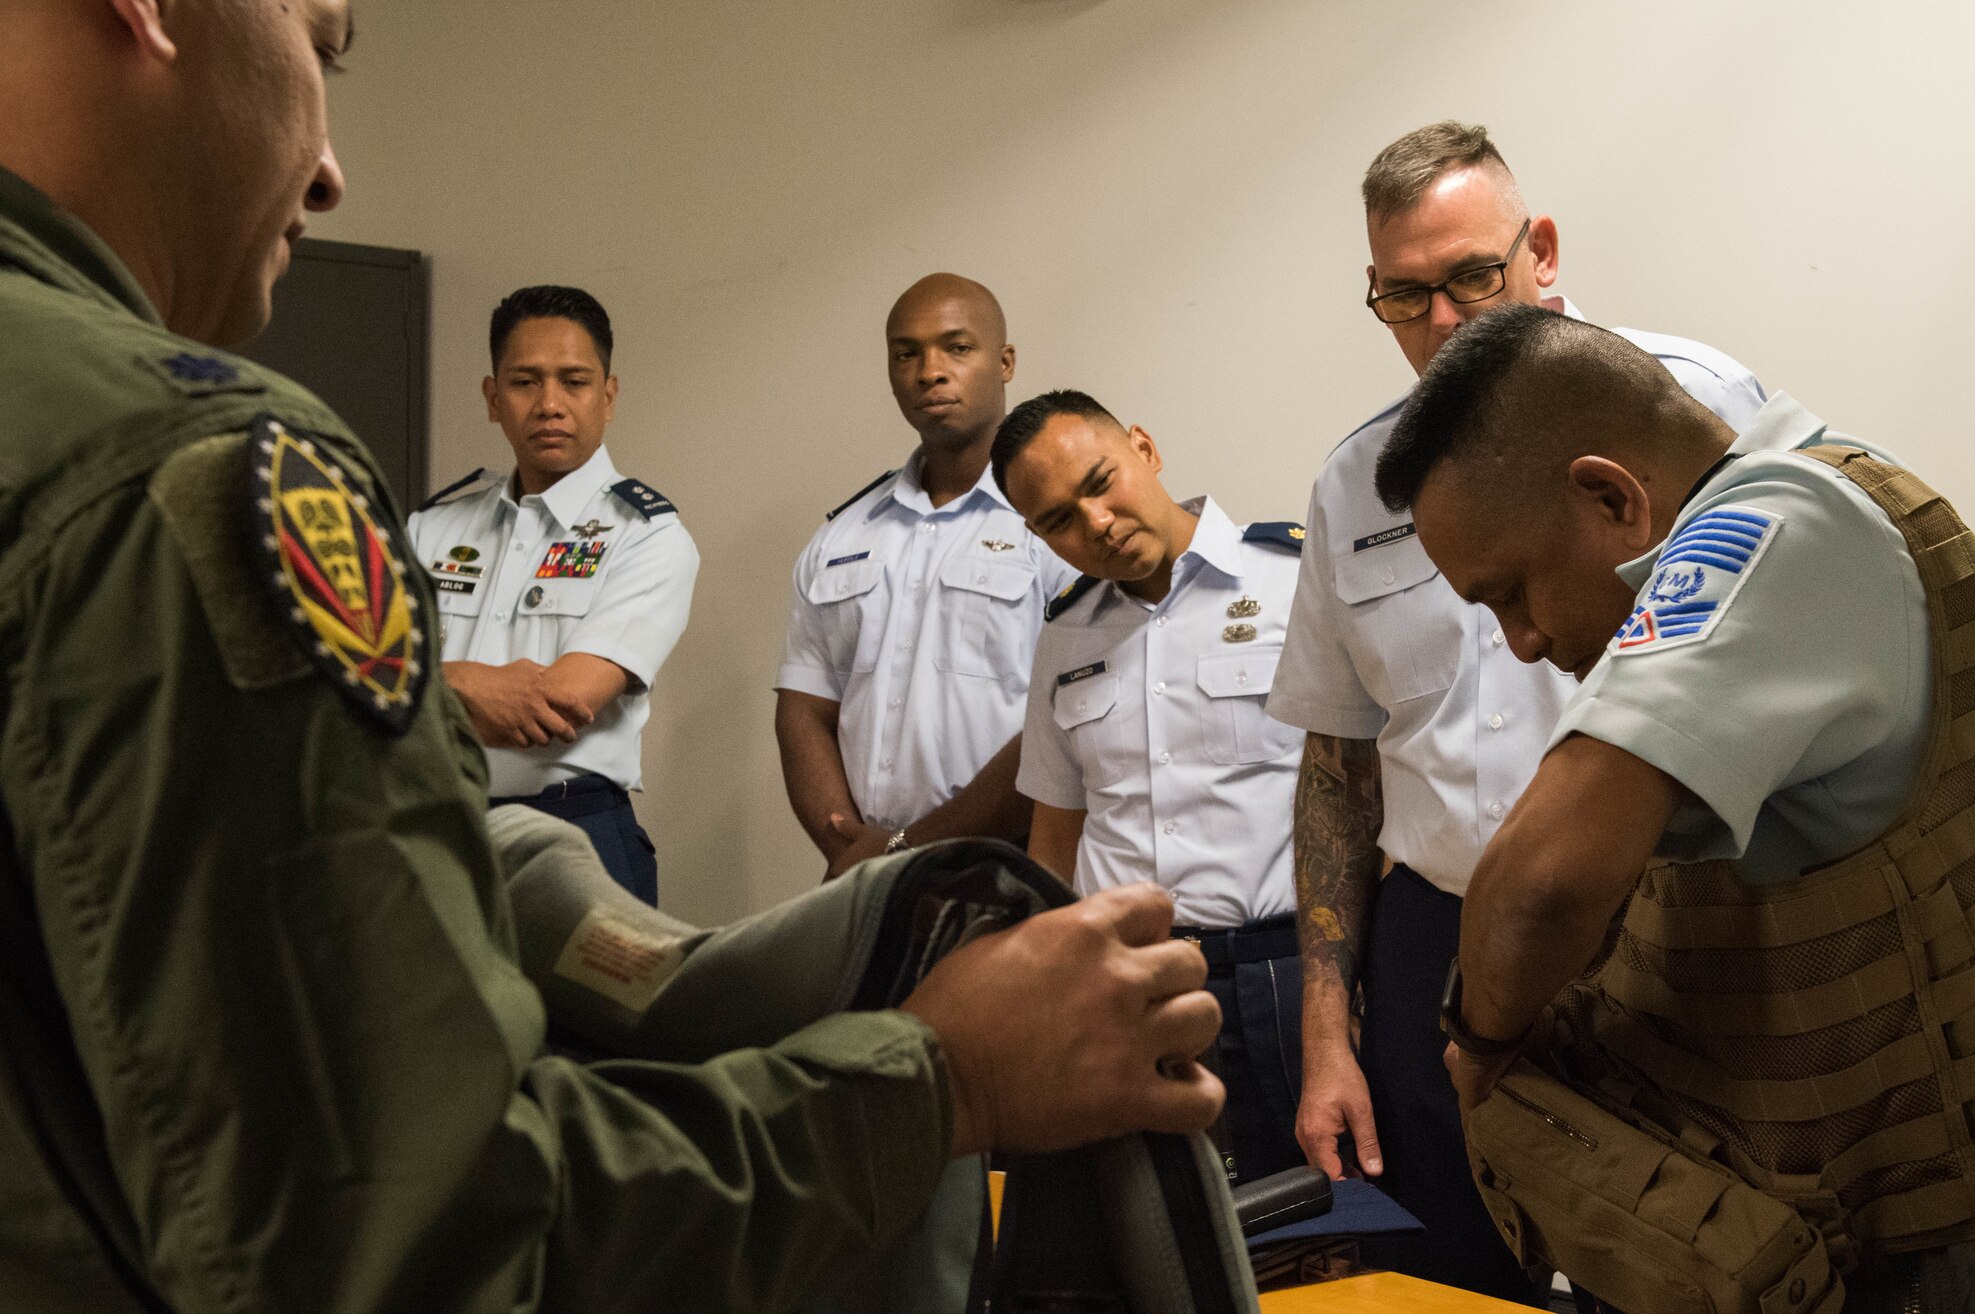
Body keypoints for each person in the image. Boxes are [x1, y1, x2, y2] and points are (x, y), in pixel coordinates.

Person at [0, 3, 1228, 1310]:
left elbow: (559, 707)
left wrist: (904, 869)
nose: (329, 169)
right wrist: (943, 1079)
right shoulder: (192, 474)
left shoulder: (632, 533)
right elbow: (422, 1239)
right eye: (324, 41)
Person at [1380, 303, 1975, 1312]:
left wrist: (1479, 1051)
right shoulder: (1836, 487)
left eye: (1509, 592)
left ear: (1608, 497)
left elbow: (1541, 883)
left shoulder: (1772, 525)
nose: (1521, 641)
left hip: (1928, 1253)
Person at [1264, 119, 1769, 1299]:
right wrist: (1328, 1033)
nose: (1441, 323)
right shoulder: (1354, 486)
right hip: (1434, 946)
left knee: (1683, 1264)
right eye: (1402, 296)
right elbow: (1339, 765)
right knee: (1465, 1272)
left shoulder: (1688, 404)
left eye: (1470, 279)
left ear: (1538, 249)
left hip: (1659, 930)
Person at [992, 389, 1309, 1184]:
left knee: (1323, 1228)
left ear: (1143, 446)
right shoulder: (1064, 637)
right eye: (1059, 520)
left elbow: (1368, 792)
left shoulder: (1294, 583)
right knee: (1162, 1229)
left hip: (1281, 975)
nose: (1093, 523)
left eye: (1100, 482)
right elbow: (1056, 834)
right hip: (1125, 983)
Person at [405, 285, 695, 905]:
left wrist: (418, 683)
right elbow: (354, 681)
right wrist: (468, 684)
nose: (549, 404)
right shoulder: (430, 527)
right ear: (492, 398)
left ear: (609, 396)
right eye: (525, 382)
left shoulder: (648, 537)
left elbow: (557, 708)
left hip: (574, 833)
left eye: (574, 381)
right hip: (432, 831)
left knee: (576, 1010)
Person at [775, 273, 1071, 878]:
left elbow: (1068, 716)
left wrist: (907, 848)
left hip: (1019, 862)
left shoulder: (1060, 521)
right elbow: (805, 709)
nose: (928, 371)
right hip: (870, 874)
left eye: (957, 348)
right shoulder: (842, 535)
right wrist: (850, 850)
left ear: (1006, 361)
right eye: (905, 354)